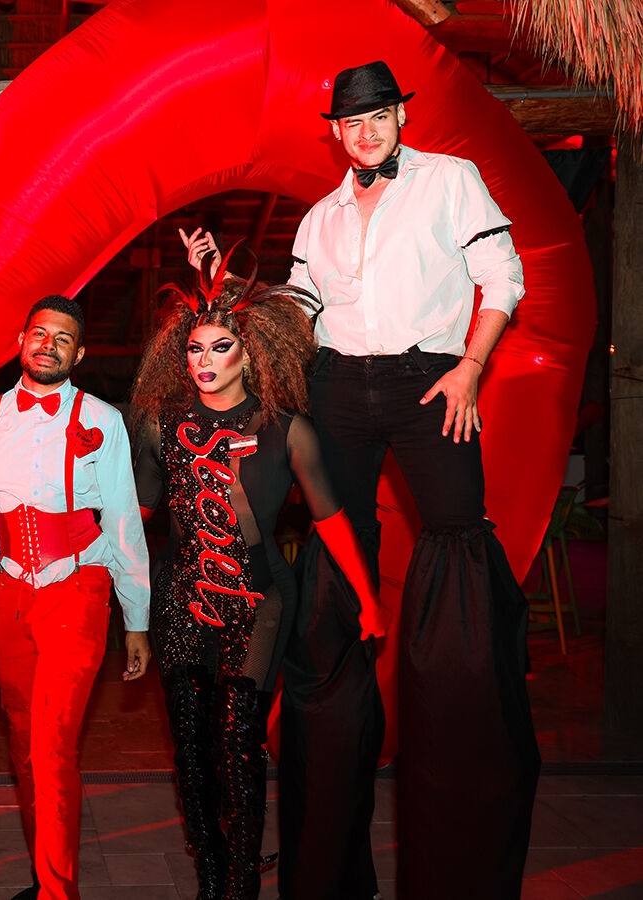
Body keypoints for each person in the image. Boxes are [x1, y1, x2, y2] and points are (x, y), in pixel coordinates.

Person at [281, 61, 540, 899]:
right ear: (335, 131)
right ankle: (327, 863)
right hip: (336, 386)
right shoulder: (319, 216)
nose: (364, 134)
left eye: (377, 118)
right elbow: (300, 311)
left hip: (431, 377)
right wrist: (236, 302)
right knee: (333, 565)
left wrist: (471, 366)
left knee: (458, 548)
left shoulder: (451, 180)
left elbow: (504, 277)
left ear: (401, 117)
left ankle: (461, 850)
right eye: (350, 122)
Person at [130, 244, 385, 900]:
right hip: (180, 599)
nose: (205, 361)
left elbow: (332, 521)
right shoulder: (162, 426)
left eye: (221, 348)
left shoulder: (288, 431)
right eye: (195, 349)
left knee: (238, 742)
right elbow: (136, 516)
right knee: (192, 754)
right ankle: (212, 878)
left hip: (259, 602)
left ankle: (241, 883)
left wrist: (368, 599)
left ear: (249, 355)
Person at [0, 296, 152, 900]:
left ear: (79, 354)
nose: (49, 344)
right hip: (6, 592)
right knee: (22, 740)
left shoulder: (103, 419)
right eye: (40, 333)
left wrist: (136, 618)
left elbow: (123, 520)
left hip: (78, 589)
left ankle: (58, 893)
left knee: (53, 743)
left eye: (63, 338)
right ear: (21, 339)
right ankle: (46, 875)